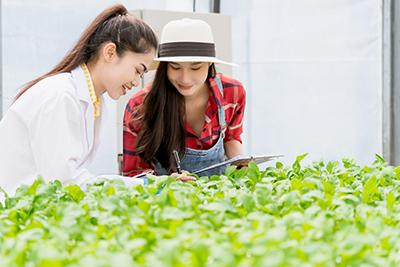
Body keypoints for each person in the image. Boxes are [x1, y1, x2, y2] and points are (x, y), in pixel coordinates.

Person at [0, 4, 158, 195]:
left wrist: (150, 185)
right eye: (138, 70)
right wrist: (146, 187)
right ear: (109, 52)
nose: (135, 82)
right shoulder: (61, 96)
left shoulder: (92, 101)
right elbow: (65, 182)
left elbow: (74, 179)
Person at [123, 18, 246, 178]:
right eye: (175, 67)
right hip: (166, 200)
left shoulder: (233, 92)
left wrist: (243, 165)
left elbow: (231, 138)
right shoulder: (140, 106)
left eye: (195, 67)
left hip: (217, 199)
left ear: (210, 64)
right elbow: (134, 174)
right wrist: (165, 184)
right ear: (165, 65)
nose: (185, 78)